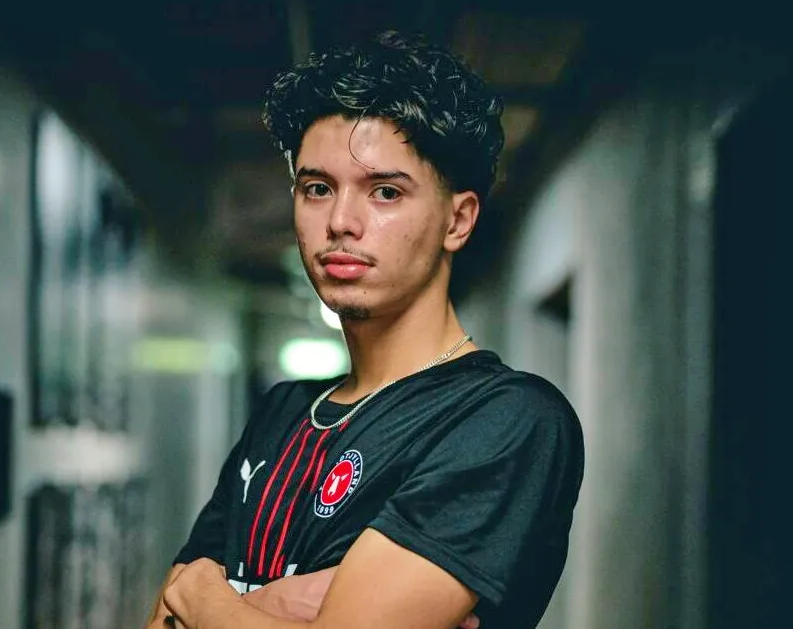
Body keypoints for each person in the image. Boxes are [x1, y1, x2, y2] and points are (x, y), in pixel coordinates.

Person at [144, 30, 584, 629]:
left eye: (384, 192)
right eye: (317, 188)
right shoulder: (283, 411)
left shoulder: (504, 418)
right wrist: (277, 611)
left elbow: (181, 598)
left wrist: (202, 598)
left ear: (458, 219)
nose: (341, 223)